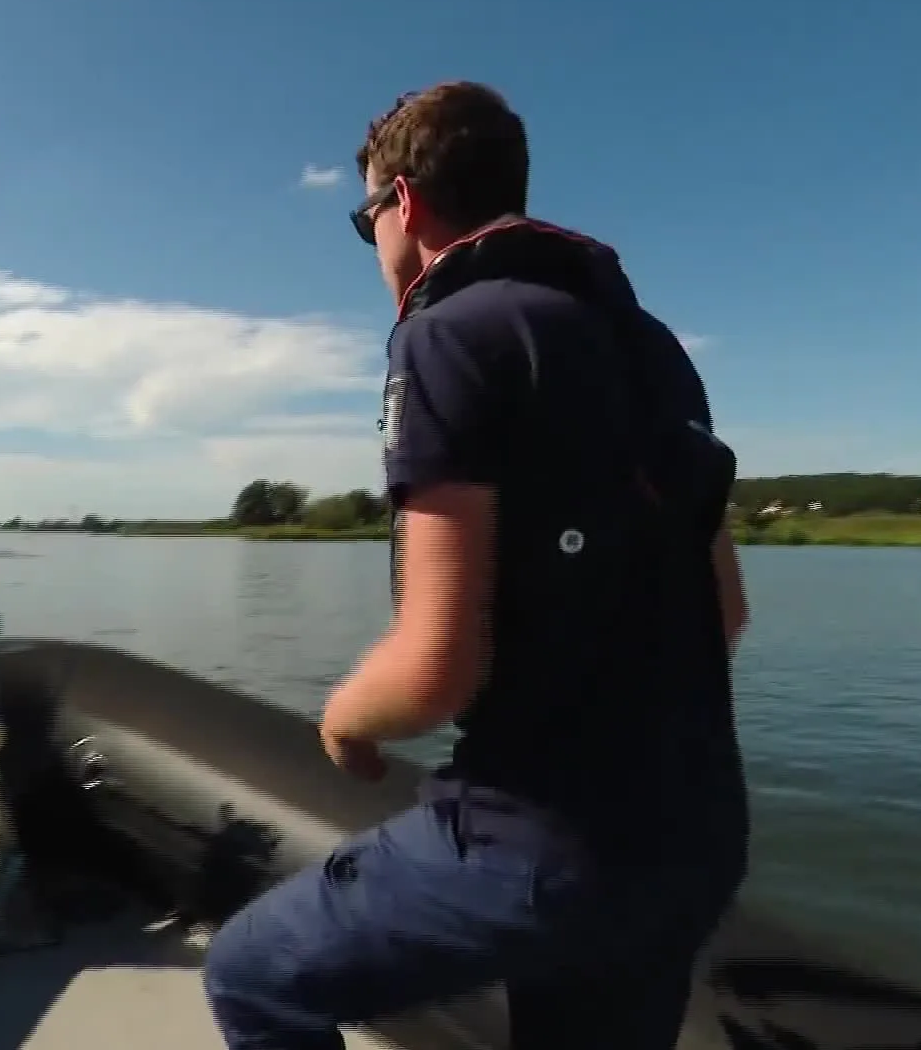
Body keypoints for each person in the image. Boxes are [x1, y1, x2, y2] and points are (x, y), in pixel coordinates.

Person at [201, 82, 754, 1050]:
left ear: (403, 204)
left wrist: (342, 718)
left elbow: (436, 665)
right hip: (695, 841)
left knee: (251, 978)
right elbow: (728, 612)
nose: (371, 243)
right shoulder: (654, 349)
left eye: (363, 217)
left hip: (536, 843)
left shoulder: (447, 333)